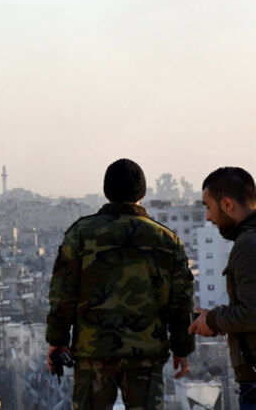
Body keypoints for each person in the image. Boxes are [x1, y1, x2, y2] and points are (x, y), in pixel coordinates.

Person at [46, 158, 194, 410]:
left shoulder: (81, 234)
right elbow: (180, 301)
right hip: (146, 352)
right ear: (142, 193)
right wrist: (182, 348)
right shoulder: (166, 239)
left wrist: (57, 341)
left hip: (93, 351)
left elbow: (62, 294)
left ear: (107, 191)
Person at [189, 167, 256, 409]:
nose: (208, 217)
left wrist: (212, 320)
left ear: (227, 204)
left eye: (209, 207)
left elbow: (251, 314)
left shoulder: (248, 244)